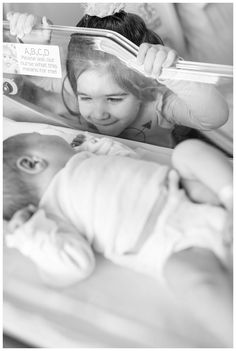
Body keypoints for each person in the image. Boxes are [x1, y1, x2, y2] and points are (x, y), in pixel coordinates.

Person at [3, 132, 233, 343]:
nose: (54, 134)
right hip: (166, 245)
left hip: (185, 191)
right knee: (196, 283)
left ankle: (230, 194)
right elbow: (72, 267)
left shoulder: (85, 158)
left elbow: (128, 156)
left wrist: (95, 144)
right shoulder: (51, 217)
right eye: (41, 134)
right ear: (32, 162)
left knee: (188, 151)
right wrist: (31, 235)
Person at [6, 4, 229, 147]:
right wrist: (31, 43)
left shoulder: (157, 104)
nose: (99, 113)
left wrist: (168, 71)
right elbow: (37, 78)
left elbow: (213, 117)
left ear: (143, 86)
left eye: (114, 99)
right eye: (86, 98)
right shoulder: (78, 88)